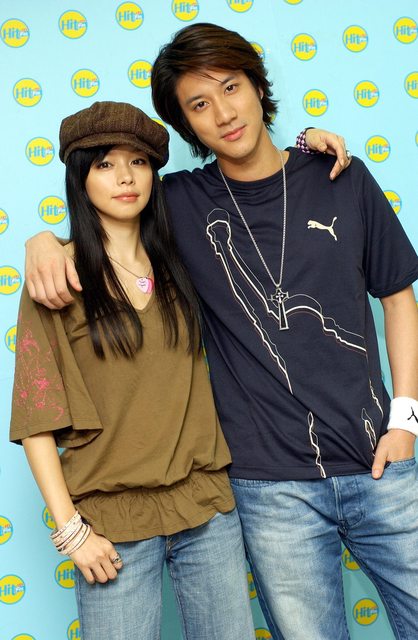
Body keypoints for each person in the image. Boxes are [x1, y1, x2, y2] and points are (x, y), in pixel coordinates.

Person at [23, 22, 418, 640]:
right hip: (268, 489)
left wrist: (406, 421)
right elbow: (105, 209)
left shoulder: (341, 177)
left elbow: (398, 297)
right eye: (199, 104)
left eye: (231, 87)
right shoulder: (178, 202)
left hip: (377, 461)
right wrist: (42, 241)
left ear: (258, 86)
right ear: (186, 126)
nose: (224, 113)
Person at [10, 101, 257, 640]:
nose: (125, 177)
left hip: (206, 509)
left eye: (138, 162)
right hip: (109, 524)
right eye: (105, 164)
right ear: (80, 178)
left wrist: (307, 146)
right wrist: (71, 533)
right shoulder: (58, 277)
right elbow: (37, 420)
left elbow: (256, 184)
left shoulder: (185, 262)